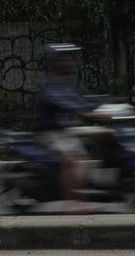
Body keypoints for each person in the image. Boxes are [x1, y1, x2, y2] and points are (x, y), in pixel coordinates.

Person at [36, 43, 101, 213]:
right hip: (52, 132)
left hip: (67, 129)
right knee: (75, 158)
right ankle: (75, 202)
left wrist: (103, 108)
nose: (70, 62)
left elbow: (81, 101)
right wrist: (87, 112)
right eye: (66, 59)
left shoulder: (66, 82)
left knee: (106, 134)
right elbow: (65, 103)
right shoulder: (51, 83)